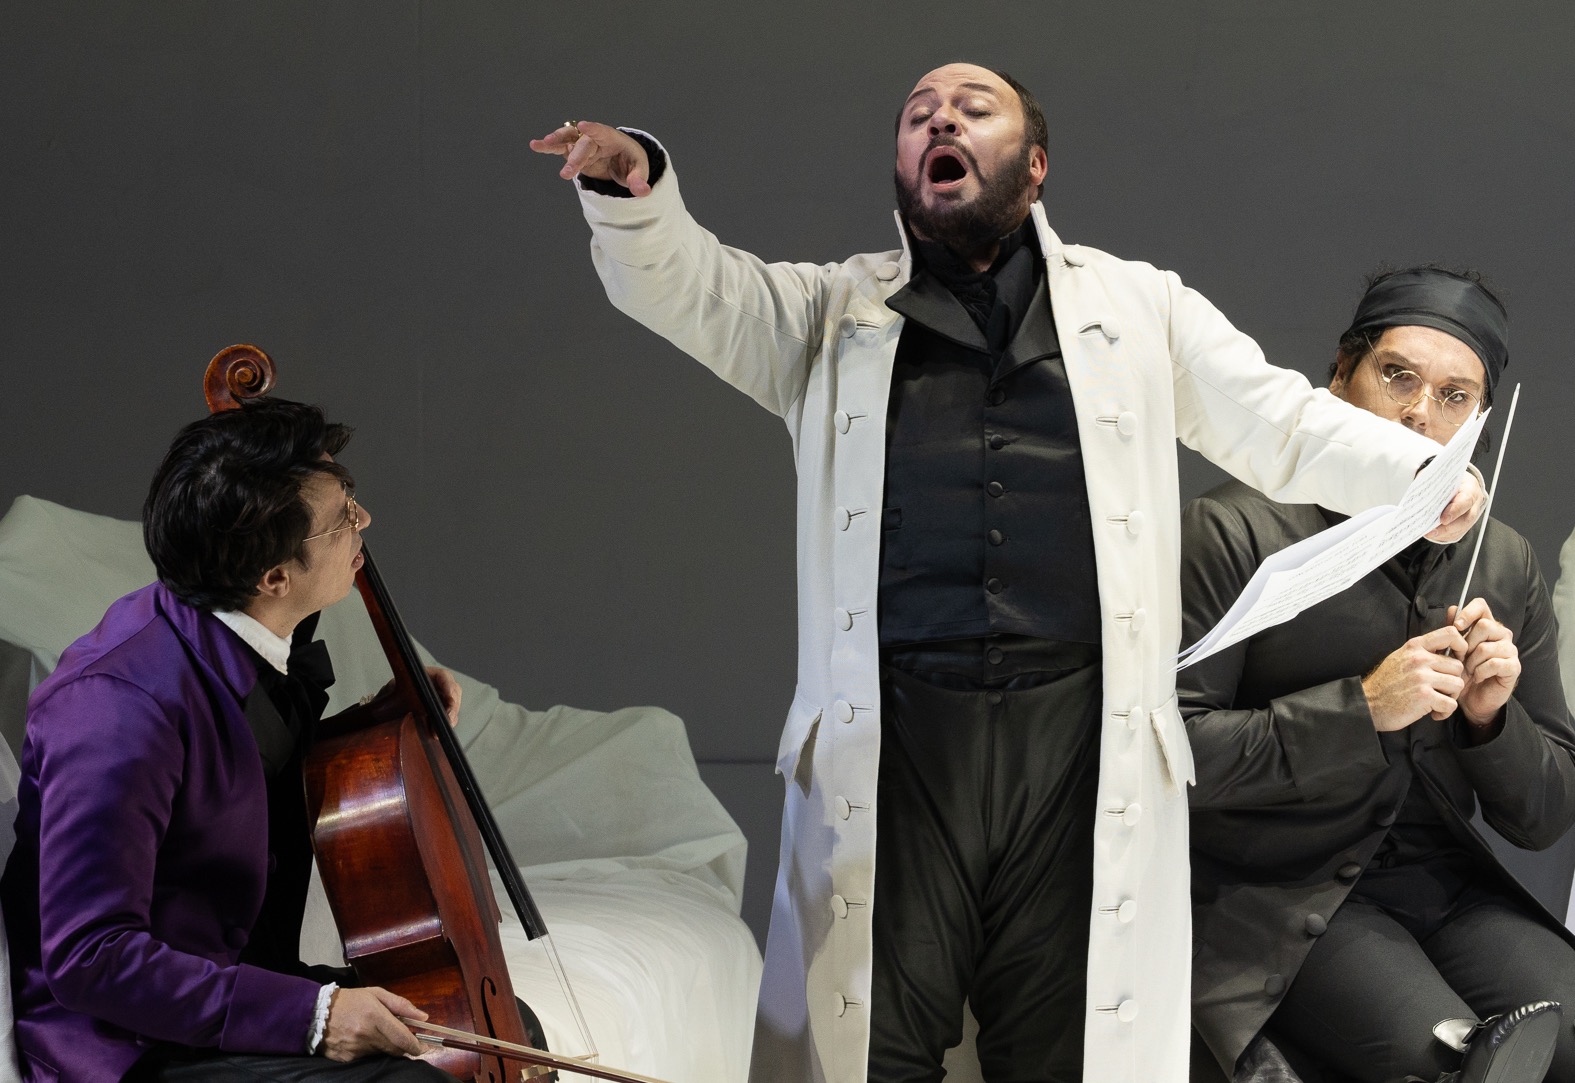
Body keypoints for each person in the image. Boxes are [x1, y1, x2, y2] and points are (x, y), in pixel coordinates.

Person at [530, 65, 1484, 1083]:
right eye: (917, 115)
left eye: (972, 108)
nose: (939, 118)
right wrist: (634, 198)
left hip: (1077, 746)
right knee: (870, 1041)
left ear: (1034, 166)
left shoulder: (1139, 306)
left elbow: (1276, 418)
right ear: (903, 166)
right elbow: (695, 288)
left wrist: (1415, 474)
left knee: (1062, 1045)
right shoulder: (829, 312)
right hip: (901, 748)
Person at [1180, 267, 1575, 1083]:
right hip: (1280, 895)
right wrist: (1358, 709)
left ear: (1480, 423)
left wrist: (1491, 722)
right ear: (1339, 375)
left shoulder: (1501, 561)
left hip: (1445, 889)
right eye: (1396, 376)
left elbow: (1543, 816)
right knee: (1440, 1058)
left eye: (1454, 396)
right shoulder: (1234, 528)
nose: (1419, 412)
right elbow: (1169, 756)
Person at [0, 398, 463, 1082]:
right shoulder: (113, 710)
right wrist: (315, 1015)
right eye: (342, 516)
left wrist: (381, 724)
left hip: (231, 984)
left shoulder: (235, 630)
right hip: (132, 1044)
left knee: (481, 1027)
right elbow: (91, 957)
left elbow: (236, 766)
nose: (363, 520)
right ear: (274, 577)